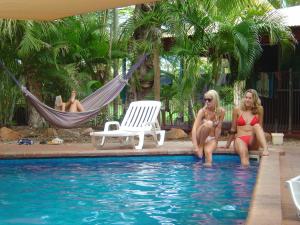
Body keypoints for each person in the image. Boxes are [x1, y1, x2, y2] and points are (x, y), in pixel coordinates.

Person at [226, 89, 269, 167]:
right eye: (246, 97)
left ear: (254, 99)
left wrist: (263, 139)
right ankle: (244, 176)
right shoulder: (237, 110)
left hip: (253, 140)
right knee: (244, 156)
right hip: (240, 139)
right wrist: (227, 145)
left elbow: (260, 127)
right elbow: (233, 129)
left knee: (256, 126)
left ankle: (265, 149)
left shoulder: (260, 109)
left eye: (250, 98)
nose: (247, 100)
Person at [192, 90, 225, 167]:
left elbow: (219, 128)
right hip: (200, 137)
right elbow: (194, 129)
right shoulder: (202, 111)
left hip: (211, 138)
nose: (207, 101)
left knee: (208, 152)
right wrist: (196, 146)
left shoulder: (221, 111)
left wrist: (216, 141)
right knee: (209, 124)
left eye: (209, 100)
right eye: (205, 99)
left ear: (215, 100)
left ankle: (208, 174)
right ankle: (201, 145)